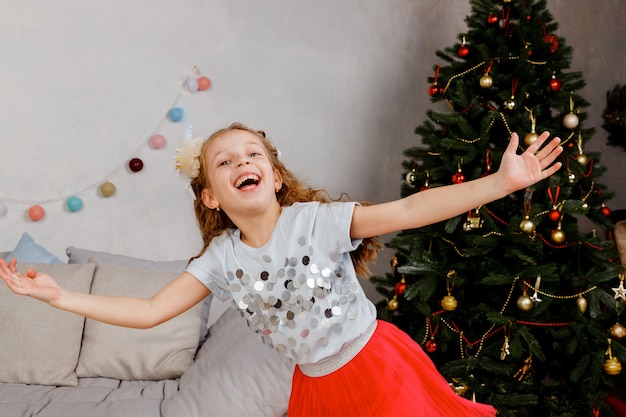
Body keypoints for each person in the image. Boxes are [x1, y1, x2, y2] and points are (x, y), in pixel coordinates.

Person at [0, 122, 562, 417]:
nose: (242, 162)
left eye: (253, 155)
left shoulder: (317, 222)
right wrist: (60, 298)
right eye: (225, 161)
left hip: (375, 367)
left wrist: (502, 183)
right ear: (212, 197)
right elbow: (149, 311)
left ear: (273, 176)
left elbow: (411, 210)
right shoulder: (221, 259)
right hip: (315, 389)